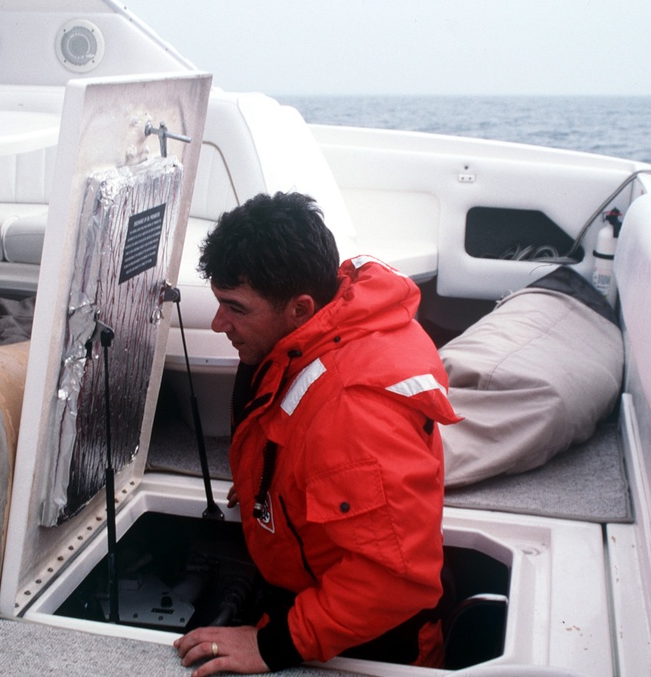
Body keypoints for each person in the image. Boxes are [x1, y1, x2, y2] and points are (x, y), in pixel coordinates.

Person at [174, 191, 460, 675]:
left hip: (373, 640)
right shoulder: (325, 327)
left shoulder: (354, 411)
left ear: (301, 309)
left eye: (236, 308)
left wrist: (273, 646)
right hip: (314, 588)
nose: (219, 323)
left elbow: (395, 581)